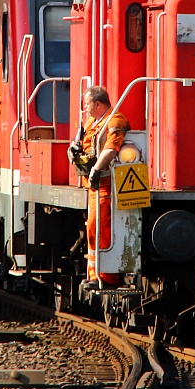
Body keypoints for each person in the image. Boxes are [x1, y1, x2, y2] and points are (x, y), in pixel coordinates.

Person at [68, 86, 129, 290]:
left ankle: (107, 276)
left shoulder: (115, 120)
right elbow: (82, 144)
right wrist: (73, 150)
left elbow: (112, 148)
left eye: (87, 105)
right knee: (93, 227)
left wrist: (95, 169)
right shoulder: (92, 122)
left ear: (97, 104)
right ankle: (95, 274)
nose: (84, 109)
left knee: (100, 227)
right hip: (94, 186)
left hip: (107, 185)